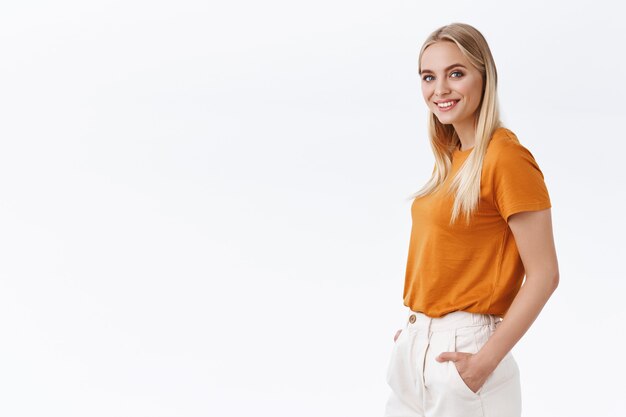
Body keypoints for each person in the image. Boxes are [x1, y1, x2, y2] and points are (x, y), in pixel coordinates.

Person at [382, 23, 559, 417]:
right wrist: (416, 337)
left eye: (456, 73)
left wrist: (484, 362)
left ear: (485, 76)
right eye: (429, 77)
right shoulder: (451, 161)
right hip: (416, 349)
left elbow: (545, 273)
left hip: (466, 353)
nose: (440, 89)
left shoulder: (505, 157)